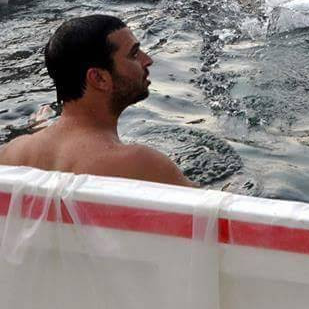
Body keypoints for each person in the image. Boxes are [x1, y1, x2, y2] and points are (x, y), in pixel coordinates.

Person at [0, 15, 194, 187]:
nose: (148, 60)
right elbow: (216, 217)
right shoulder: (142, 165)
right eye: (134, 54)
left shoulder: (11, 154)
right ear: (99, 79)